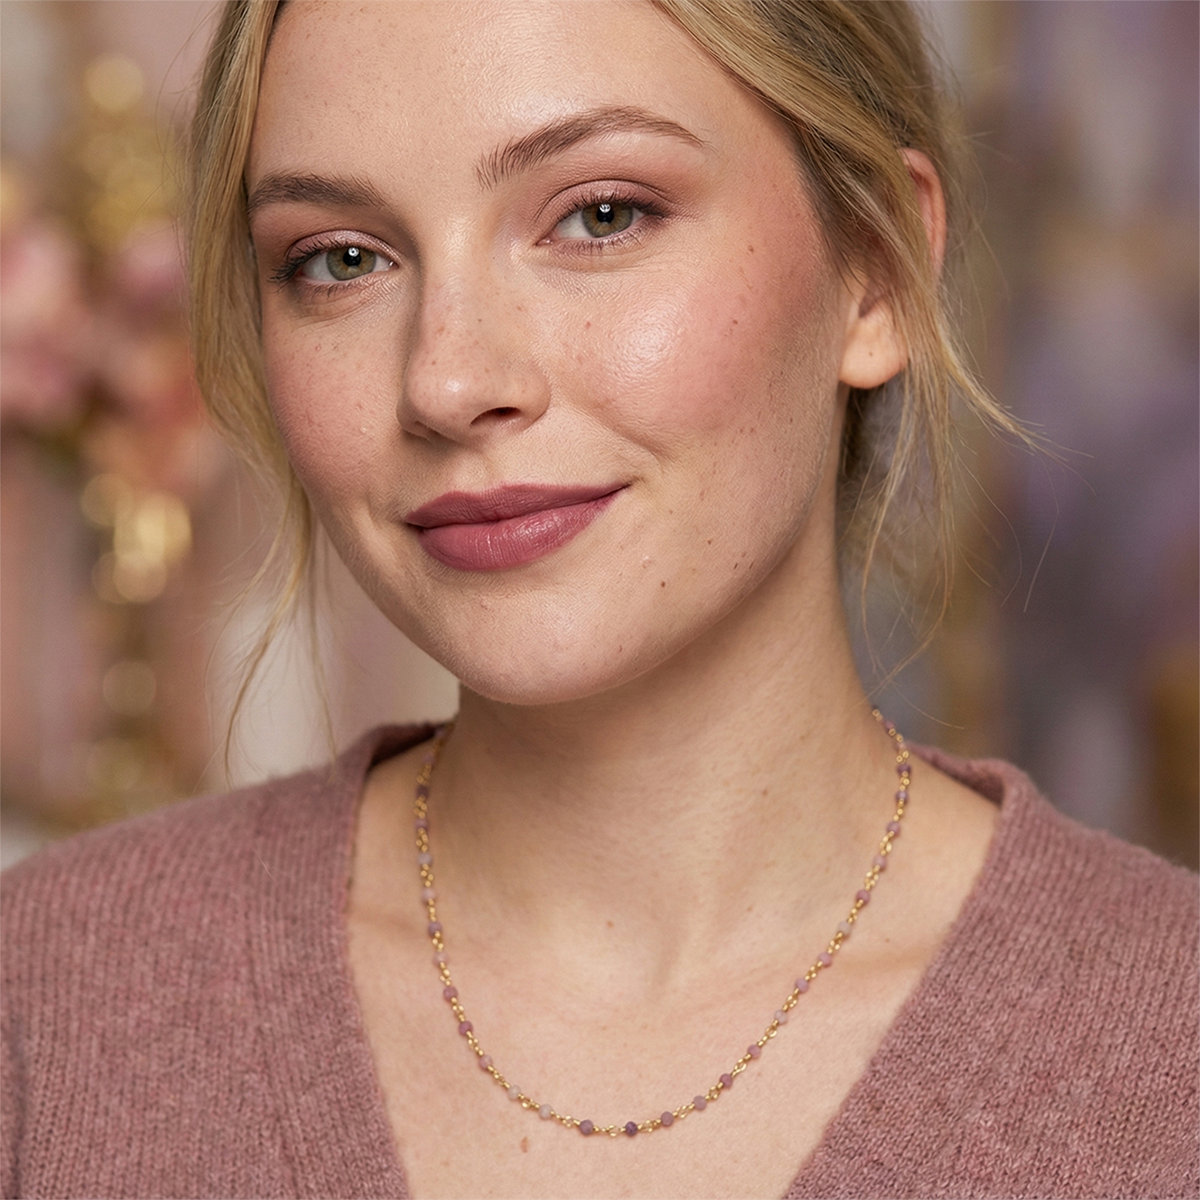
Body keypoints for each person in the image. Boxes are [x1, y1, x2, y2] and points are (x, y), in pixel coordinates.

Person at [2, 1, 1195, 1197]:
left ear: (875, 270)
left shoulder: (1167, 1051)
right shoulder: (47, 1002)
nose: (450, 379)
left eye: (600, 216)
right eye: (342, 259)